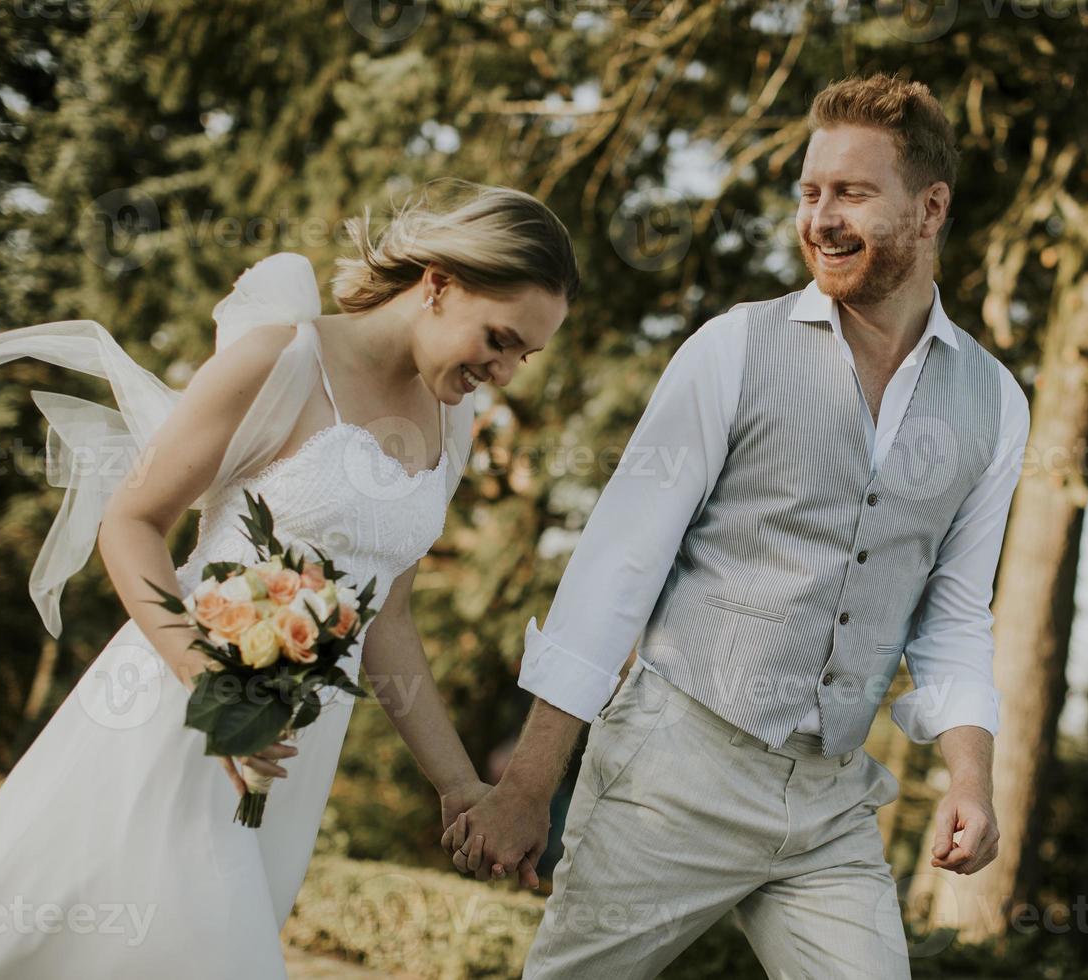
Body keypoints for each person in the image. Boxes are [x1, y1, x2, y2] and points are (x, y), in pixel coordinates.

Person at [442, 74, 1031, 978]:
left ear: (930, 208)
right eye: (810, 191)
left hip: (830, 802)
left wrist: (968, 775)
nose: (820, 217)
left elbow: (953, 612)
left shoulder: (995, 403)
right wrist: (528, 785)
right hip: (673, 773)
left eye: (853, 193)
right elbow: (614, 571)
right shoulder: (731, 349)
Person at [0, 182, 577, 978]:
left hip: (294, 759)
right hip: (177, 718)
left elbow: (387, 622)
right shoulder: (283, 358)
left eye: (523, 355)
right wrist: (213, 691)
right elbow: (129, 525)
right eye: (499, 339)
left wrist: (457, 783)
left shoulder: (452, 424)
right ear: (437, 284)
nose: (504, 370)